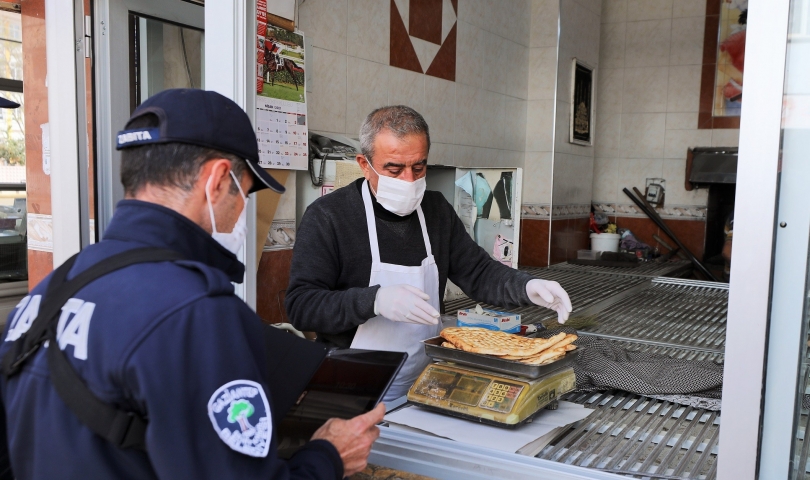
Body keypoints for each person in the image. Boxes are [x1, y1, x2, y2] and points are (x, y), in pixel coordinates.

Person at [0, 89, 382, 479]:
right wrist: (328, 457)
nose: (241, 214)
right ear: (217, 179)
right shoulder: (195, 311)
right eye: (245, 192)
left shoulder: (53, 289)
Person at [286, 105, 573, 402]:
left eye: (419, 167)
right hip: (347, 387)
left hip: (424, 382)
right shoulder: (329, 216)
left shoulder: (435, 210)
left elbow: (478, 272)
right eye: (394, 169)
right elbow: (301, 306)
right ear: (364, 164)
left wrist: (527, 286)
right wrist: (375, 300)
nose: (409, 181)